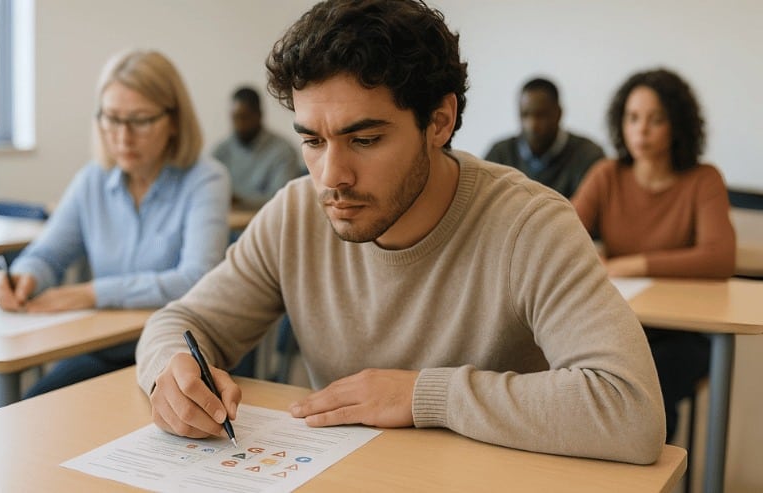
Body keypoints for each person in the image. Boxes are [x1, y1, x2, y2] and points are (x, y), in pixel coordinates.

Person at [136, 0, 665, 464]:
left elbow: (631, 410)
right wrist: (170, 372)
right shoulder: (295, 213)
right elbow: (180, 321)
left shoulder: (529, 225)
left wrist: (423, 396)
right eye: (312, 141)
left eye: (363, 139)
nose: (330, 177)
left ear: (439, 122)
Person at [0, 49, 230, 397]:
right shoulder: (92, 179)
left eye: (140, 120)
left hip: (174, 356)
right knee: (32, 406)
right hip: (103, 352)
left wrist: (92, 292)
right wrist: (25, 276)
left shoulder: (206, 179)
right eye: (111, 118)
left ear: (174, 120)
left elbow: (196, 279)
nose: (123, 136)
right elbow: (48, 254)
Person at [571, 68, 736, 441]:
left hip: (685, 332)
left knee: (648, 391)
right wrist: (588, 256)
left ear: (677, 125)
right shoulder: (607, 174)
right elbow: (562, 233)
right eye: (632, 118)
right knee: (590, 383)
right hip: (621, 323)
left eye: (655, 119)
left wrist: (633, 264)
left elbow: (719, 257)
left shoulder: (703, 179)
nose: (641, 130)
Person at [484, 78, 604, 198]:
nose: (532, 125)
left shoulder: (588, 156)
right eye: (525, 114)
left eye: (541, 115)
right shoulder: (500, 154)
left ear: (559, 114)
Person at [212, 86, 302, 210]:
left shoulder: (283, 152)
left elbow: (281, 198)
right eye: (235, 117)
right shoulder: (221, 151)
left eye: (244, 117)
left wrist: (240, 201)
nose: (239, 125)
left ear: (259, 115)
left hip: (269, 223)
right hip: (229, 225)